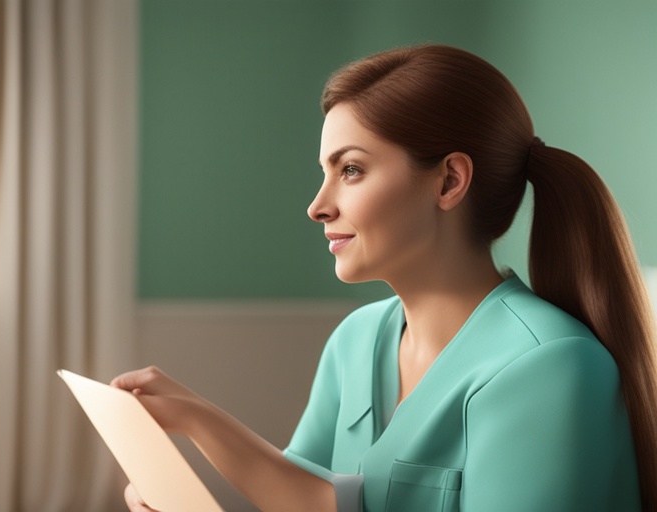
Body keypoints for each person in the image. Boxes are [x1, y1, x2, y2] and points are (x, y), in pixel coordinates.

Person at [112, 44, 657, 511]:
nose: (317, 206)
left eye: (350, 170)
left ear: (449, 181)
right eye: (324, 173)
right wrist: (197, 427)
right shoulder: (356, 340)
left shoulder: (552, 367)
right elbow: (311, 500)